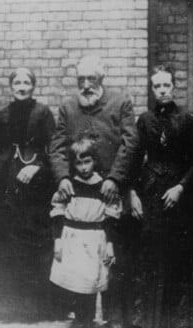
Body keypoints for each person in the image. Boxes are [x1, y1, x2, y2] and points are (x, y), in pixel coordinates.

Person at [49, 55, 138, 328]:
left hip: (111, 192)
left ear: (101, 79)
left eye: (92, 79)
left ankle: (115, 318)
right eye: (81, 80)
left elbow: (131, 143)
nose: (86, 85)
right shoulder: (67, 108)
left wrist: (115, 178)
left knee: (113, 255)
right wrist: (63, 177)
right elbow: (57, 146)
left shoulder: (120, 103)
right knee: (81, 263)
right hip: (79, 195)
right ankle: (84, 318)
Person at [127, 65, 193, 328]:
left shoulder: (187, 119)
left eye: (166, 85)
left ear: (174, 86)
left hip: (180, 194)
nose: (162, 90)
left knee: (179, 257)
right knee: (151, 255)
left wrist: (181, 186)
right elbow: (135, 159)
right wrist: (132, 192)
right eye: (157, 86)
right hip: (151, 192)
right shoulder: (145, 120)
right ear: (152, 89)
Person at [0, 67, 55, 320]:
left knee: (35, 242)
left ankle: (37, 309)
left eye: (26, 82)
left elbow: (54, 150)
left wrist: (37, 166)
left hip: (36, 184)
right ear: (11, 86)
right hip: (9, 181)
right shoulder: (4, 114)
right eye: (16, 82)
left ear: (33, 86)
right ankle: (11, 308)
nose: (21, 86)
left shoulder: (42, 113)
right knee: (10, 241)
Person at [49, 134, 121, 328]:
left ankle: (87, 321)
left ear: (95, 161)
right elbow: (57, 212)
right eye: (79, 163)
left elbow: (111, 218)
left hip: (94, 239)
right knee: (74, 282)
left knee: (90, 283)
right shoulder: (69, 186)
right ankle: (79, 320)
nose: (83, 167)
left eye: (87, 162)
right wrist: (58, 241)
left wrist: (110, 245)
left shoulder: (103, 186)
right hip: (72, 238)